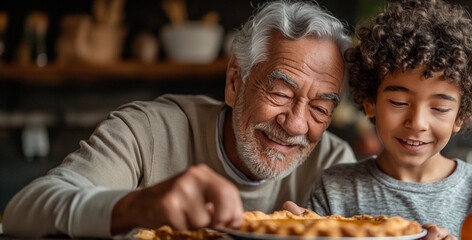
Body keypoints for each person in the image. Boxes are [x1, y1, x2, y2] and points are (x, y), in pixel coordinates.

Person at [3, 1, 356, 237]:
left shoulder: (335, 165)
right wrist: (136, 207)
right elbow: (23, 211)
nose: (295, 125)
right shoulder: (147, 132)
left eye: (319, 109)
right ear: (236, 82)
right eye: (280, 93)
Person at [306, 0, 472, 238]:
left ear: (460, 115)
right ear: (371, 102)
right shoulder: (334, 191)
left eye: (440, 108)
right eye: (399, 103)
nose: (418, 123)